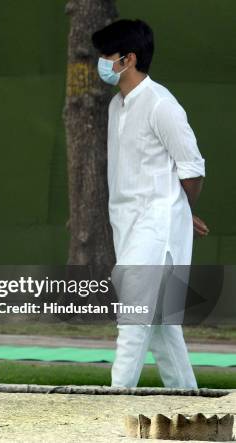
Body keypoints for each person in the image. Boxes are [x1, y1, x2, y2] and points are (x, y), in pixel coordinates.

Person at [92, 19, 207, 388]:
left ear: (129, 59)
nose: (101, 63)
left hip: (156, 225)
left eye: (106, 56)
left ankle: (114, 403)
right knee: (161, 326)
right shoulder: (116, 105)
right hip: (127, 223)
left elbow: (192, 167)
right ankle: (190, 403)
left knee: (134, 317)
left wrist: (180, 209)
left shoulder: (161, 104)